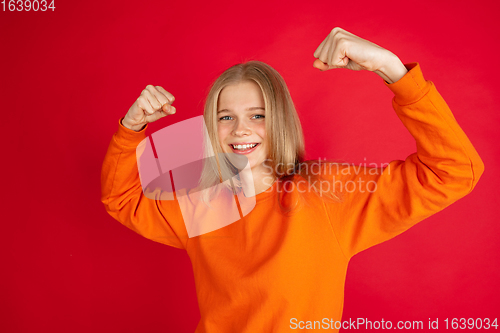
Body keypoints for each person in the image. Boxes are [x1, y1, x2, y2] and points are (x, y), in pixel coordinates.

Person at [101, 27, 484, 332]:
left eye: (258, 115)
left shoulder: (329, 192)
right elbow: (122, 200)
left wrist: (391, 68)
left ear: (280, 119)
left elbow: (454, 171)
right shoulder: (200, 205)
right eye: (225, 117)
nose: (240, 130)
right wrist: (131, 128)